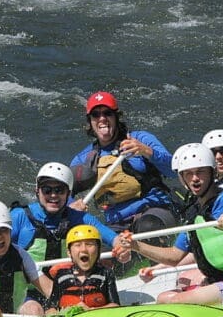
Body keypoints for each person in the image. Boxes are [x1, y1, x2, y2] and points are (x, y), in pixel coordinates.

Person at [119, 143, 223, 305]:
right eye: (188, 174)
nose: (195, 178)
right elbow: (175, 256)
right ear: (182, 179)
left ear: (212, 172)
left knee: (177, 300)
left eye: (200, 172)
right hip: (216, 280)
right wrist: (136, 246)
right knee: (163, 297)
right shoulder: (194, 213)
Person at [9, 162, 130, 311]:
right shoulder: (20, 217)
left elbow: (114, 238)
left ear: (68, 194)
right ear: (37, 191)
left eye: (59, 190)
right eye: (47, 190)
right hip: (27, 293)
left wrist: (123, 249)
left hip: (66, 289)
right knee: (34, 310)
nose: (53, 195)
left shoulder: (79, 218)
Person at [68, 91, 179, 238]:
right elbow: (63, 190)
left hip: (154, 209)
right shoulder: (83, 159)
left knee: (148, 227)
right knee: (101, 253)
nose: (102, 118)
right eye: (96, 114)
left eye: (107, 113)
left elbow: (174, 170)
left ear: (116, 117)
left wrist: (147, 152)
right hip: (116, 222)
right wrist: (71, 206)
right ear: (90, 121)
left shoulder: (141, 139)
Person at [44, 225, 120, 315]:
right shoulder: (61, 276)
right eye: (78, 245)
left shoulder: (105, 273)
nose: (83, 249)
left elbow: (115, 305)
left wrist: (90, 311)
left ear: (99, 250)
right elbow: (51, 308)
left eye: (89, 244)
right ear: (69, 252)